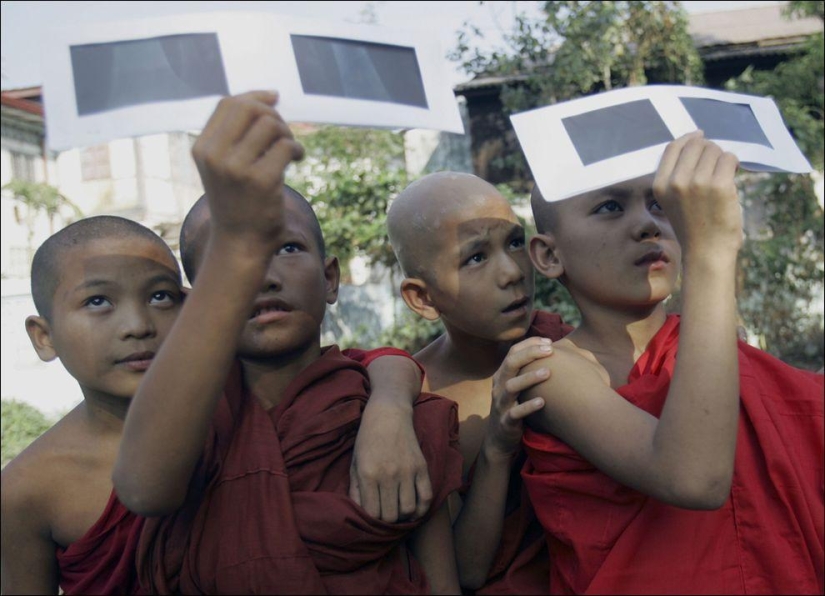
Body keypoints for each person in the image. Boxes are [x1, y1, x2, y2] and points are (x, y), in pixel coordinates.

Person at [113, 91, 464, 594]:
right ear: (200, 301)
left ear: (331, 279)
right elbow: (145, 488)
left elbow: (440, 580)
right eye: (231, 257)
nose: (262, 276)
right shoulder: (187, 417)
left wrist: (389, 405)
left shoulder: (391, 413)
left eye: (287, 247)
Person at [520, 130, 824, 594]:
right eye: (610, 207)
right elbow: (694, 479)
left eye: (660, 205)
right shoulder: (552, 373)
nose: (648, 224)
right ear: (549, 253)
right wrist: (711, 251)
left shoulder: (713, 348)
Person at [386, 171, 573, 594]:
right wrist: (496, 448)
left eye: (513, 242)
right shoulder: (421, 401)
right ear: (423, 297)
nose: (511, 272)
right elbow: (464, 571)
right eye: (475, 258)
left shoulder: (567, 350)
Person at [1, 216, 186, 595]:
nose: (137, 325)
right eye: (97, 300)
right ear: (44, 337)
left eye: (160, 296)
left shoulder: (242, 420)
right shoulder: (27, 488)